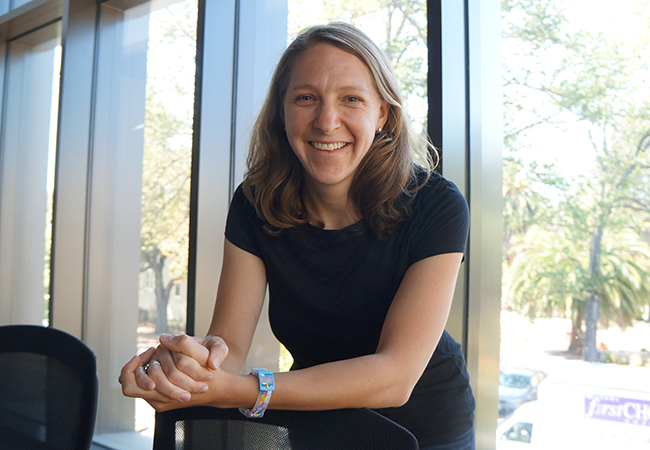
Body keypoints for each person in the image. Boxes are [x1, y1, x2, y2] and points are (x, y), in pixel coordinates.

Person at [119, 22, 475, 449]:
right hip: (318, 420)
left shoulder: (436, 204)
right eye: (306, 98)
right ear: (282, 112)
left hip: (426, 428)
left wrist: (245, 389)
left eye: (352, 99)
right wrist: (186, 368)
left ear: (382, 114)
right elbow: (227, 342)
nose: (327, 122)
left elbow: (394, 377)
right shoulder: (256, 201)